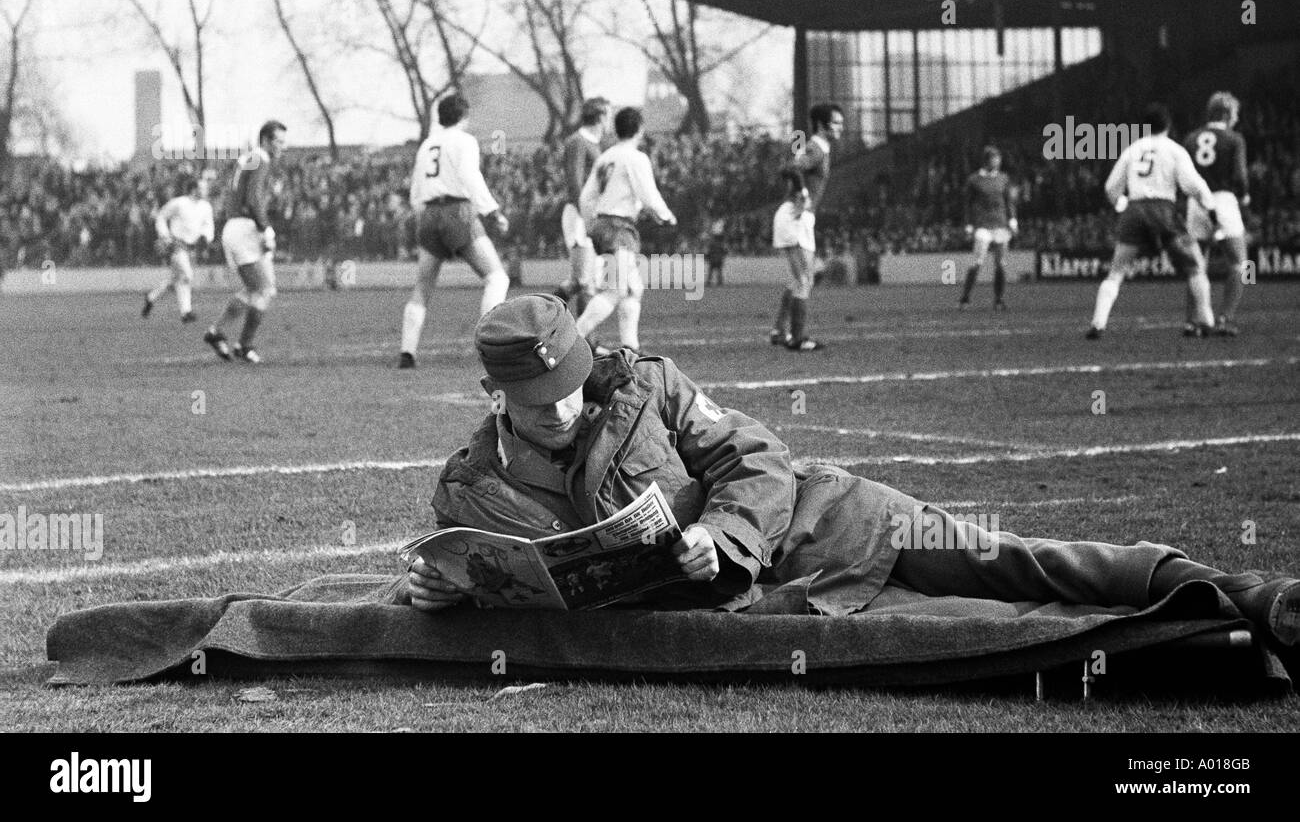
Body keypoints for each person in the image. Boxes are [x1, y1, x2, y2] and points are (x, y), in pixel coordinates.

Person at [405, 294, 1299, 651]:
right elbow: (490, 576)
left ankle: (1235, 591)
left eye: (566, 385)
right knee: (1001, 631)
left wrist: (719, 539)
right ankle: (1203, 636)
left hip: (831, 521)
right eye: (535, 397)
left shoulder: (649, 385)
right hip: (779, 608)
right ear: (492, 391)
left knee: (1009, 564)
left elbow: (754, 459)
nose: (560, 408)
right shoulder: (467, 488)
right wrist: (444, 591)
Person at [1086, 104, 1218, 339]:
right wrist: (1210, 207)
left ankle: (1098, 322)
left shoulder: (1132, 149)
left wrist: (1122, 205)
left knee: (1116, 271)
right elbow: (1193, 184)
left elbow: (1110, 187)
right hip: (1164, 209)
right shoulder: (1174, 150)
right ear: (1168, 125)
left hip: (1135, 210)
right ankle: (1207, 319)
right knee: (1194, 267)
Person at [398, 94, 511, 369]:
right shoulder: (465, 140)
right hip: (457, 212)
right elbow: (470, 175)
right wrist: (492, 211)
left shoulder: (427, 145)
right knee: (497, 278)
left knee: (423, 286)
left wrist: (423, 215)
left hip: (427, 214)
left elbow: (415, 189)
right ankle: (490, 348)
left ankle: (407, 352)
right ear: (464, 116)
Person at [574, 107, 676, 354]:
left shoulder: (605, 156)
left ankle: (631, 349)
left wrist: (592, 224)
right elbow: (648, 193)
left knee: (633, 289)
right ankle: (571, 339)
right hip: (620, 228)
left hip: (603, 225)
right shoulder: (635, 157)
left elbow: (587, 197)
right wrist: (666, 215)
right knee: (615, 290)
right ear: (640, 128)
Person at [204, 121, 285, 364]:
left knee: (258, 289)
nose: (282, 146)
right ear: (266, 141)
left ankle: (220, 334)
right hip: (245, 228)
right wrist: (265, 228)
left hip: (235, 226)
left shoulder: (248, 158)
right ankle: (243, 344)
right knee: (263, 290)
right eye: (279, 141)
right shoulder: (261, 159)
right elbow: (253, 198)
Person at [770, 103, 841, 351]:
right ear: (822, 125)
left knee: (804, 277)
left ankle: (780, 330)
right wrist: (802, 192)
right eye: (836, 123)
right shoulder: (817, 148)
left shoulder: (817, 147)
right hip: (795, 216)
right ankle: (798, 338)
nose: (840, 127)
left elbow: (792, 165)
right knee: (804, 279)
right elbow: (790, 167)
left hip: (796, 216)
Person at [1182, 92, 1251, 337]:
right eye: (1235, 113)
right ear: (1226, 113)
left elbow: (1185, 175)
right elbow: (1240, 176)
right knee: (1242, 263)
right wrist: (1244, 196)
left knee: (1196, 265)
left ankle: (1192, 321)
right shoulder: (1234, 139)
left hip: (1196, 203)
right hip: (1223, 200)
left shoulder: (1191, 139)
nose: (1236, 118)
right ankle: (1224, 318)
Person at [552, 98, 609, 317]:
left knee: (583, 281)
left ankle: (585, 341)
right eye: (609, 114)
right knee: (585, 281)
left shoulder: (593, 143)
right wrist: (587, 217)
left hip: (587, 215)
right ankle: (549, 322)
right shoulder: (578, 141)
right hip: (579, 216)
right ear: (601, 116)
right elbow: (575, 183)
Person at [143, 175, 214, 324]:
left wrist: (206, 238)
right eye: (202, 188)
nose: (206, 190)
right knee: (187, 276)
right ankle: (186, 313)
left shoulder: (206, 206)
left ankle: (151, 298)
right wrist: (166, 237)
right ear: (194, 189)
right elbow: (161, 216)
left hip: (192, 248)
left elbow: (208, 226)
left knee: (175, 281)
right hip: (177, 245)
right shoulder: (179, 203)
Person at [958, 146, 1018, 310]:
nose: (997, 161)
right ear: (986, 160)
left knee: (1001, 264)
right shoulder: (974, 180)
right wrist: (969, 225)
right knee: (977, 262)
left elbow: (1009, 201)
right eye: (994, 158)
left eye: (998, 158)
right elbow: (967, 204)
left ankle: (998, 300)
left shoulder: (1004, 178)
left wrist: (1013, 220)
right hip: (982, 226)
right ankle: (965, 298)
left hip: (1001, 225)